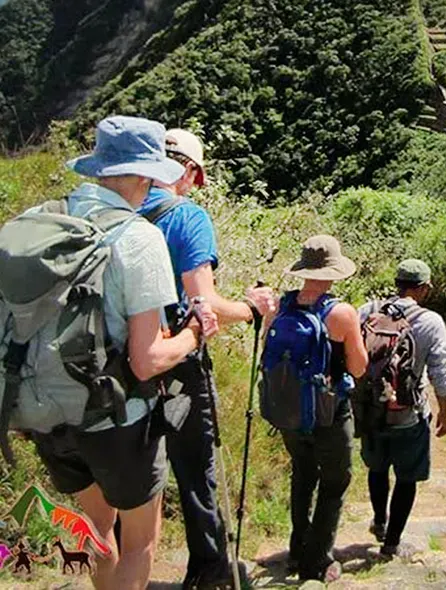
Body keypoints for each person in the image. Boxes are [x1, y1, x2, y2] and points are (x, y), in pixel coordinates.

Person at [28, 116, 220, 590]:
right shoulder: (138, 239)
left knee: (99, 532)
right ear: (146, 174)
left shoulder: (41, 220)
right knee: (139, 544)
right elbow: (147, 359)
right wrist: (196, 332)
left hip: (46, 412)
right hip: (116, 420)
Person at [136, 128, 275, 590]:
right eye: (198, 178)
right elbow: (206, 303)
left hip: (118, 364)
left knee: (131, 471)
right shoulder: (187, 217)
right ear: (190, 172)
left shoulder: (117, 213)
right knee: (196, 466)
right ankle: (210, 571)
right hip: (176, 359)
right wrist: (252, 308)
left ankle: (121, 571)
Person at [268, 235, 367, 582]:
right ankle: (318, 561)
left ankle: (297, 551)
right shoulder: (341, 313)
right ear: (333, 273)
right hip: (329, 412)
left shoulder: (280, 308)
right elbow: (358, 368)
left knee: (303, 475)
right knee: (336, 481)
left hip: (288, 412)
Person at [358, 259, 446, 558]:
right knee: (407, 477)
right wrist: (444, 411)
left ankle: (380, 521)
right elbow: (440, 371)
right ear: (423, 288)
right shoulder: (430, 321)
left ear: (397, 282)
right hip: (409, 415)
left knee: (377, 467)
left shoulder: (368, 311)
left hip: (371, 410)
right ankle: (392, 543)